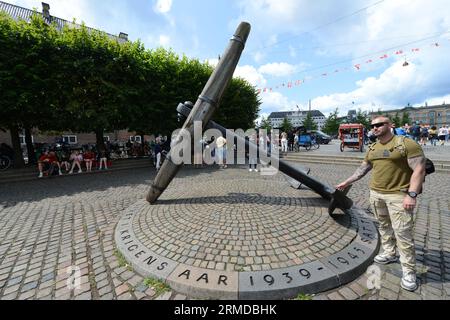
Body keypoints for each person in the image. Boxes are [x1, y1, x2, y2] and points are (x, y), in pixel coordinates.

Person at [336, 116, 426, 292]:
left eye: (379, 125)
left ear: (390, 125)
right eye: (373, 126)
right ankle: (389, 252)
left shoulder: (406, 144)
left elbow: (419, 169)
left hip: (398, 196)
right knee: (384, 226)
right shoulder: (373, 147)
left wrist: (411, 195)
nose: (375, 128)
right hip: (376, 194)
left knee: (403, 233)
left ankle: (408, 271)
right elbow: (363, 169)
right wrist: (346, 182)